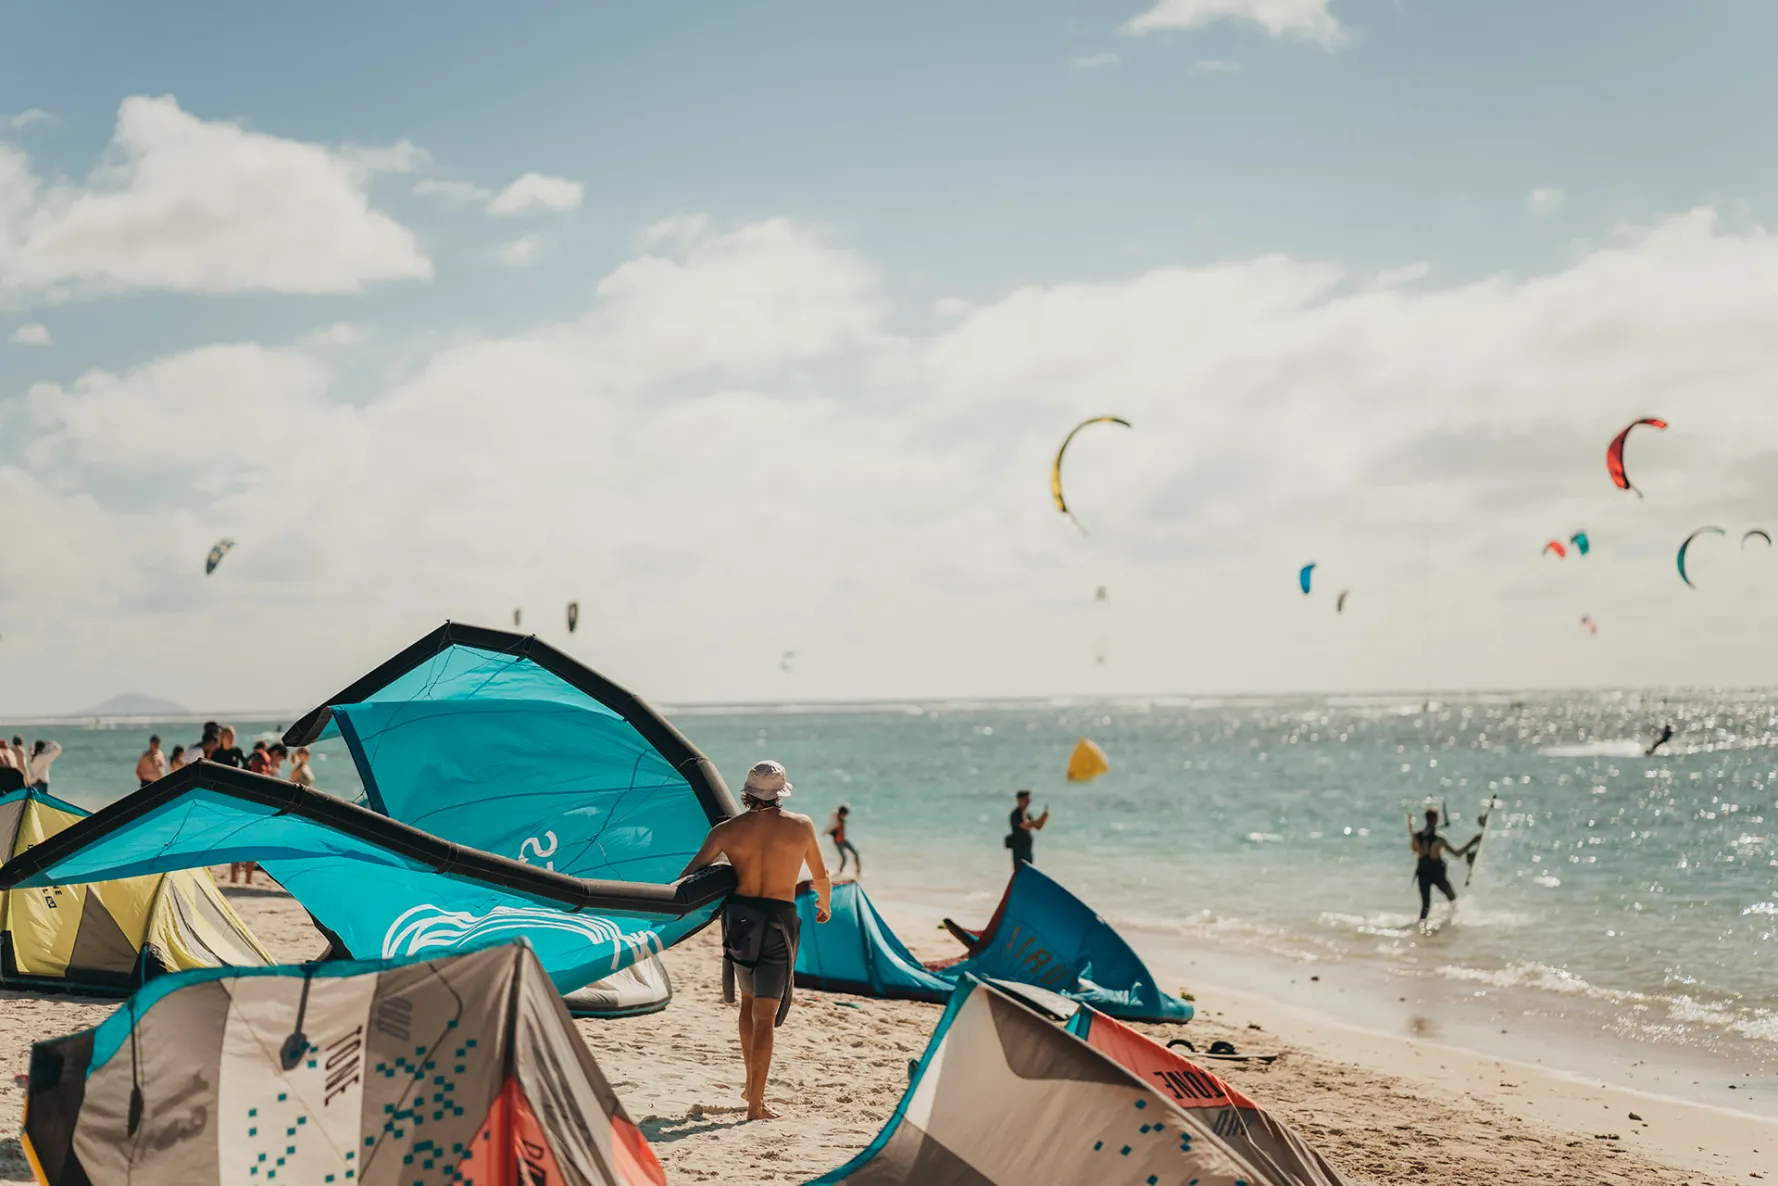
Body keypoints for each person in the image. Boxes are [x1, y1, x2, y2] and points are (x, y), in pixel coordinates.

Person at [678, 760, 830, 1122]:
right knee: (765, 1015)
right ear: (780, 794)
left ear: (747, 793)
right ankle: (755, 1106)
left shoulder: (727, 830)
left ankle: (751, 1086)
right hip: (778, 919)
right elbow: (820, 874)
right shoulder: (801, 825)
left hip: (741, 920)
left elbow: (690, 875)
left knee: (748, 1005)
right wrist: (825, 904)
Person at [1410, 808, 1479, 921]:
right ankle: (1451, 921)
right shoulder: (1439, 839)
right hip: (1437, 874)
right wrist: (1473, 841)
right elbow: (1457, 854)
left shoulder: (1418, 837)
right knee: (1452, 897)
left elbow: (1416, 850)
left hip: (1422, 873)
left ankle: (1419, 930)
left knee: (1425, 906)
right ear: (1436, 820)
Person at [1006, 789, 1049, 872]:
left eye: (1029, 800)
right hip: (1019, 850)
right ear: (1020, 800)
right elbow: (1025, 825)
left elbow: (1038, 827)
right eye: (1027, 800)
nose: (1028, 802)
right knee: (1020, 871)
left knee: (1029, 871)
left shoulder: (1027, 814)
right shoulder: (1015, 814)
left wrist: (1044, 817)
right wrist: (1034, 822)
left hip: (1027, 848)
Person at [824, 804, 862, 875]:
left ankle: (858, 872)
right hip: (838, 843)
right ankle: (839, 873)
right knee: (844, 859)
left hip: (844, 840)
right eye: (844, 814)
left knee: (856, 854)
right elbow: (831, 826)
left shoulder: (842, 821)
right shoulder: (835, 822)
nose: (845, 816)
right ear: (841, 813)